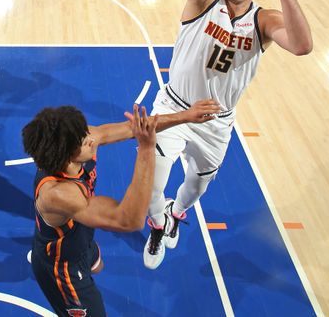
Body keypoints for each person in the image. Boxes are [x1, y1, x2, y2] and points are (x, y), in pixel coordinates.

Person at [142, 0, 313, 269]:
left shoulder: (263, 21)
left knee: (195, 189)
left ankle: (178, 215)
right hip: (175, 108)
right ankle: (159, 225)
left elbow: (302, 45)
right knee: (151, 190)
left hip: (217, 121)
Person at [25, 100, 220, 316]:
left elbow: (133, 128)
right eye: (83, 139)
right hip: (62, 268)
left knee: (97, 266)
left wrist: (186, 116)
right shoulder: (58, 194)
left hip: (80, 240)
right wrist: (146, 149)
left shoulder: (76, 143)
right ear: (66, 155)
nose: (91, 139)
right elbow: (128, 220)